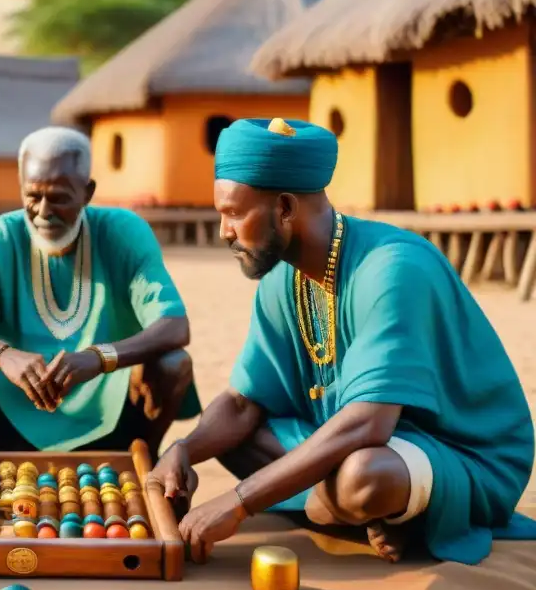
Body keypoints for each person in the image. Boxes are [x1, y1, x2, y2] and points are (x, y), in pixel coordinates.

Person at [146, 117, 536, 565]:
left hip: (453, 450)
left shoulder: (392, 268)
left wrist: (240, 500)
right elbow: (241, 403)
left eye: (234, 213)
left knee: (362, 479)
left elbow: (368, 425)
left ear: (286, 208)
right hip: (350, 437)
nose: (223, 232)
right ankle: (366, 514)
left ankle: (343, 508)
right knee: (231, 436)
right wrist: (185, 450)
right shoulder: (283, 280)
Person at [0, 126, 200, 455]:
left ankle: (142, 455)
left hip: (111, 400)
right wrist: (4, 356)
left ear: (87, 192)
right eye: (33, 196)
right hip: (18, 398)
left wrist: (99, 358)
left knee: (172, 364)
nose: (42, 211)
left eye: (58, 198)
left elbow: (174, 325)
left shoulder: (123, 232)